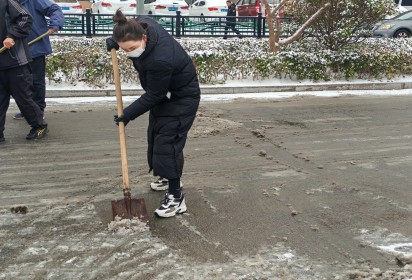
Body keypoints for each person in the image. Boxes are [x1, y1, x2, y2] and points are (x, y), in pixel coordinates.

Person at [106, 10, 201, 218]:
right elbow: (131, 23)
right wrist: (114, 40)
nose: (129, 53)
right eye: (124, 49)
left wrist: (127, 115)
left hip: (181, 97)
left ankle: (176, 198)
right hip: (166, 95)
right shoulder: (140, 24)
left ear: (144, 38)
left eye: (131, 48)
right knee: (156, 135)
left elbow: (154, 95)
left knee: (168, 143)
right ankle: (166, 176)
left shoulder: (161, 59)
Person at [0, 0, 48, 142]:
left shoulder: (6, 1)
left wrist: (11, 35)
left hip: (16, 61)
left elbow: (25, 17)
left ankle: (39, 126)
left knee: (24, 98)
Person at [13, 0, 64, 120]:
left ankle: (38, 110)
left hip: (35, 47)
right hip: (16, 49)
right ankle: (28, 110)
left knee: (36, 81)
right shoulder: (9, 3)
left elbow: (54, 9)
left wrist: (55, 24)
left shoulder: (33, 1)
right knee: (21, 82)